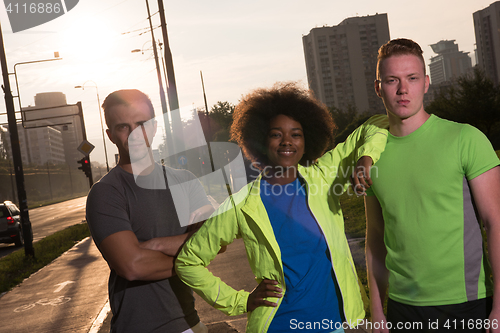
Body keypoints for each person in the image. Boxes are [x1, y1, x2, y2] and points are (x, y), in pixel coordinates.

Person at [175, 82, 389, 333]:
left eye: (296, 134)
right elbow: (187, 262)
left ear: (307, 138)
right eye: (276, 134)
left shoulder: (323, 176)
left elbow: (378, 124)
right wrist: (239, 301)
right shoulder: (241, 204)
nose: (287, 141)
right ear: (261, 140)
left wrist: (366, 157)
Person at [365, 38, 500, 333]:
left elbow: (496, 222)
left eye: (412, 79)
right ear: (379, 88)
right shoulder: (372, 155)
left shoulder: (466, 139)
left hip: (467, 303)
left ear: (426, 83)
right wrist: (377, 310)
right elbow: (375, 238)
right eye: (392, 80)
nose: (403, 90)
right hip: (402, 308)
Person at [85, 89, 214, 333]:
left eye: (141, 124)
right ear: (110, 135)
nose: (134, 134)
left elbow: (218, 242)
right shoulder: (106, 193)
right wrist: (195, 254)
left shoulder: (185, 180)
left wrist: (154, 245)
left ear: (154, 127)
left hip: (191, 323)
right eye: (123, 127)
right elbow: (132, 266)